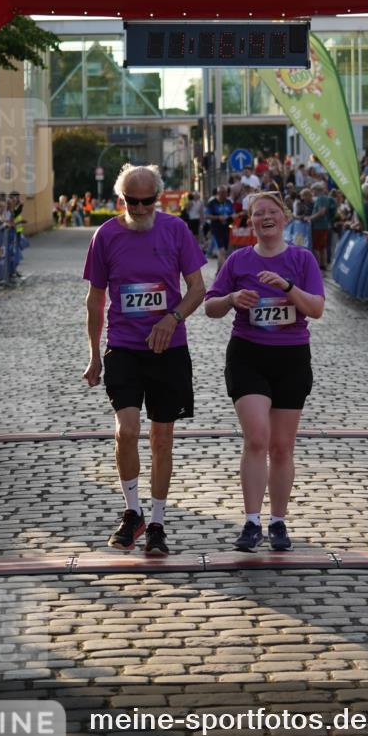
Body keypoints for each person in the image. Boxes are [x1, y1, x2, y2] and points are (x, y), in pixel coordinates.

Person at [83, 164, 206, 556]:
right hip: (123, 346)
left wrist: (173, 318)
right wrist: (92, 356)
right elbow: (95, 299)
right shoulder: (106, 236)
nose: (139, 208)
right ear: (121, 199)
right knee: (126, 431)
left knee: (162, 437)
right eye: (131, 201)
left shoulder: (176, 230)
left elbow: (198, 288)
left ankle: (156, 522)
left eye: (147, 201)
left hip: (168, 349)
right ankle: (132, 512)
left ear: (159, 197)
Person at [204, 191, 324, 553]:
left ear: (284, 218)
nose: (265, 217)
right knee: (257, 437)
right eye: (258, 213)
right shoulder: (238, 261)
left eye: (272, 211)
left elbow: (316, 308)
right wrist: (231, 299)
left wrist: (288, 288)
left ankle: (279, 521)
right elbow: (210, 306)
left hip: (291, 358)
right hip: (248, 355)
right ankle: (252, 521)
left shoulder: (302, 259)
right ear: (251, 221)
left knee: (282, 446)